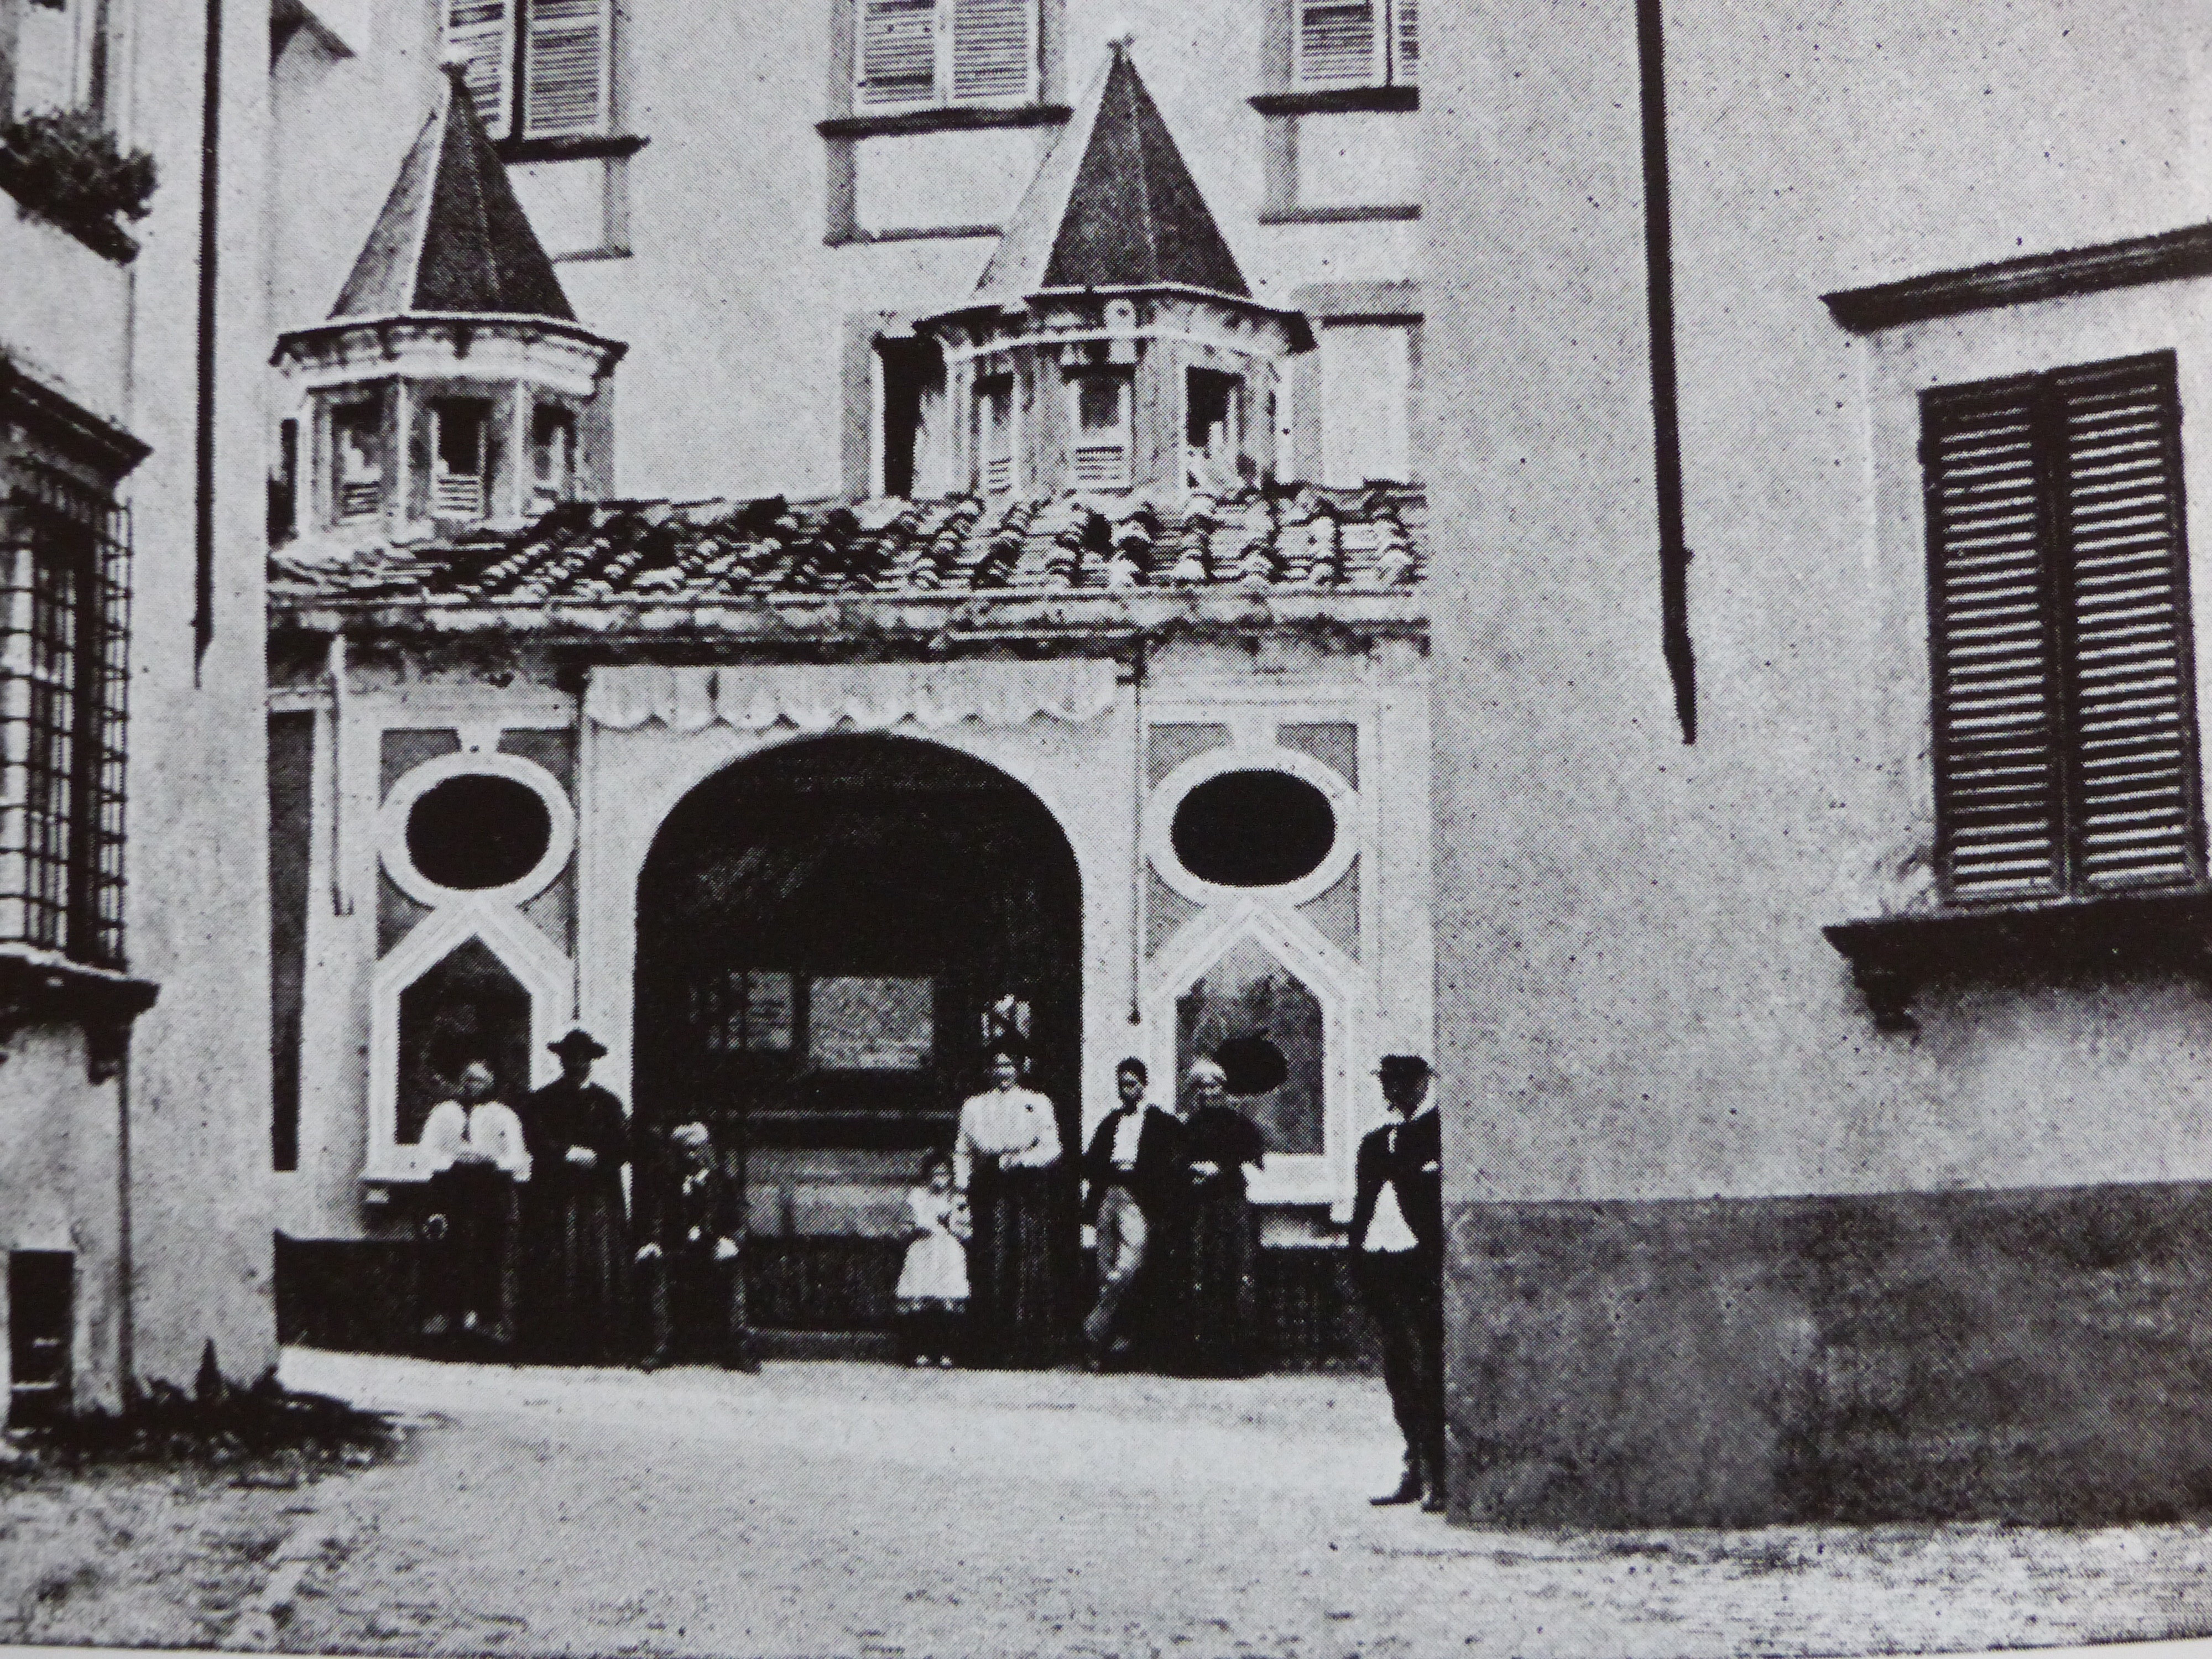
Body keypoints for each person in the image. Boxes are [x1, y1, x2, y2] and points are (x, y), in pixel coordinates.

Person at [1349, 1054, 1446, 1513]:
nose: (1393, 1091)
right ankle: (1414, 1466)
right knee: (1398, 1368)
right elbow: (1362, 1206)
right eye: (1387, 1083)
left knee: (1431, 1366)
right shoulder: (1374, 1142)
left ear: (1423, 1084)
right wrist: (1357, 1259)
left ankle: (1439, 1474)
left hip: (1422, 1266)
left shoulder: (1441, 1134)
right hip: (1381, 1263)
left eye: (1402, 1082)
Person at [519, 1029, 632, 1362]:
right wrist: (565, 1153)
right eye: (570, 1058)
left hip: (598, 1195)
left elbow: (623, 1145)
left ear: (592, 1062)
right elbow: (535, 1139)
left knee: (598, 1261)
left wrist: (598, 1157)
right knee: (556, 1259)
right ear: (561, 1061)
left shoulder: (609, 1103)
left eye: (583, 1059)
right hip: (555, 1194)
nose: (576, 1064)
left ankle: (599, 1343)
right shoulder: (542, 1100)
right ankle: (553, 1343)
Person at [955, 1046, 1062, 1368]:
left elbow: (1052, 1146)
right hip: (988, 1186)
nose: (1004, 1072)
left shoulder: (1037, 1102)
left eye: (1009, 1065)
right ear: (989, 1070)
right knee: (991, 1258)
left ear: (1020, 1068)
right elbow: (963, 1151)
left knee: (1025, 1259)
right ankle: (990, 1347)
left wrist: (1023, 1160)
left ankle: (1026, 1348)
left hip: (1025, 1188)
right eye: (998, 1065)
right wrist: (961, 1189)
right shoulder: (975, 1105)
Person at [1078, 1057, 1185, 1371]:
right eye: (1122, 1085)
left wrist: (1152, 1184)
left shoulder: (1160, 1122)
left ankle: (1092, 1329)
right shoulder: (1111, 1122)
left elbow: (1175, 1161)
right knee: (1105, 1268)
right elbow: (1090, 1162)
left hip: (1137, 1197)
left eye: (1132, 1084)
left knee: (1128, 1266)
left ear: (1143, 1085)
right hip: (1109, 1194)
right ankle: (1105, 1349)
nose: (1127, 1091)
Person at [418, 1058, 531, 1348]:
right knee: (449, 1253)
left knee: (489, 1253)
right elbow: (426, 1152)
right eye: (467, 1079)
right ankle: (446, 1322)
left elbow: (518, 1158)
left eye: (479, 1080)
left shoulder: (504, 1115)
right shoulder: (444, 1113)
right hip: (452, 1189)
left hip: (491, 1189)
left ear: (490, 1083)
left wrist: (492, 1160)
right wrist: (454, 1160)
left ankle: (486, 1325)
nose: (472, 1085)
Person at [632, 1120, 756, 1372]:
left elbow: (740, 1219)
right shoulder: (669, 1183)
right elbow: (656, 1217)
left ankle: (739, 1349)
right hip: (679, 1251)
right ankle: (661, 1347)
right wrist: (652, 1243)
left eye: (698, 1149)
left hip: (713, 1250)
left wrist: (731, 1241)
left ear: (708, 1149)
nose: (693, 1155)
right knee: (658, 1268)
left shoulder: (724, 1182)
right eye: (686, 1150)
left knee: (733, 1269)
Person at [1179, 1056, 1268, 1377]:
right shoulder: (1189, 1127)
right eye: (1202, 1087)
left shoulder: (1240, 1125)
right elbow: (1177, 1161)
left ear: (1224, 1089)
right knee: (1202, 1275)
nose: (1208, 1092)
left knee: (1235, 1273)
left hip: (1231, 1207)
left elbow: (1254, 1162)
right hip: (1199, 1209)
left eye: (1214, 1086)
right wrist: (1192, 1170)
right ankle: (1203, 1358)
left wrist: (1221, 1170)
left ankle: (1236, 1358)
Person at [895, 1149, 971, 1368]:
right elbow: (905, 1226)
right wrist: (918, 1228)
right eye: (936, 1174)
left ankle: (947, 1351)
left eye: (944, 1174)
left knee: (948, 1299)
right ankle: (919, 1350)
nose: (940, 1179)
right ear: (928, 1176)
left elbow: (966, 1230)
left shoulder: (957, 1199)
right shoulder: (918, 1197)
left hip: (948, 1251)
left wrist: (954, 1224)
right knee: (920, 1299)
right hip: (923, 1251)